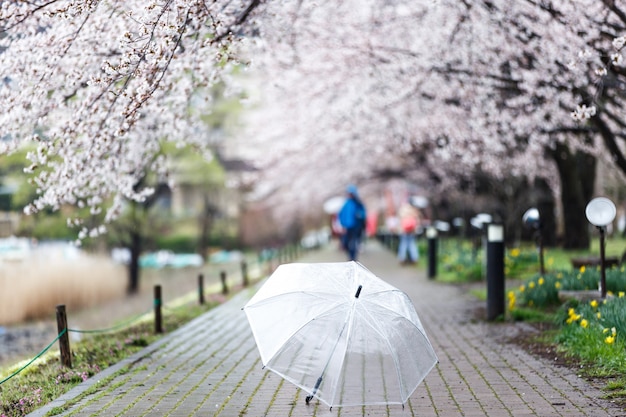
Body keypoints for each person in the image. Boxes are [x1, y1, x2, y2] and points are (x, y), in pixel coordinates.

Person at [338, 185, 366, 261]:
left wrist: (359, 215)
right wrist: (342, 225)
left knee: (354, 242)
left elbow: (363, 213)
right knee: (346, 243)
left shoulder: (358, 203)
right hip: (347, 227)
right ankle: (350, 255)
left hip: (356, 226)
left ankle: (353, 258)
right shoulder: (345, 204)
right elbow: (341, 215)